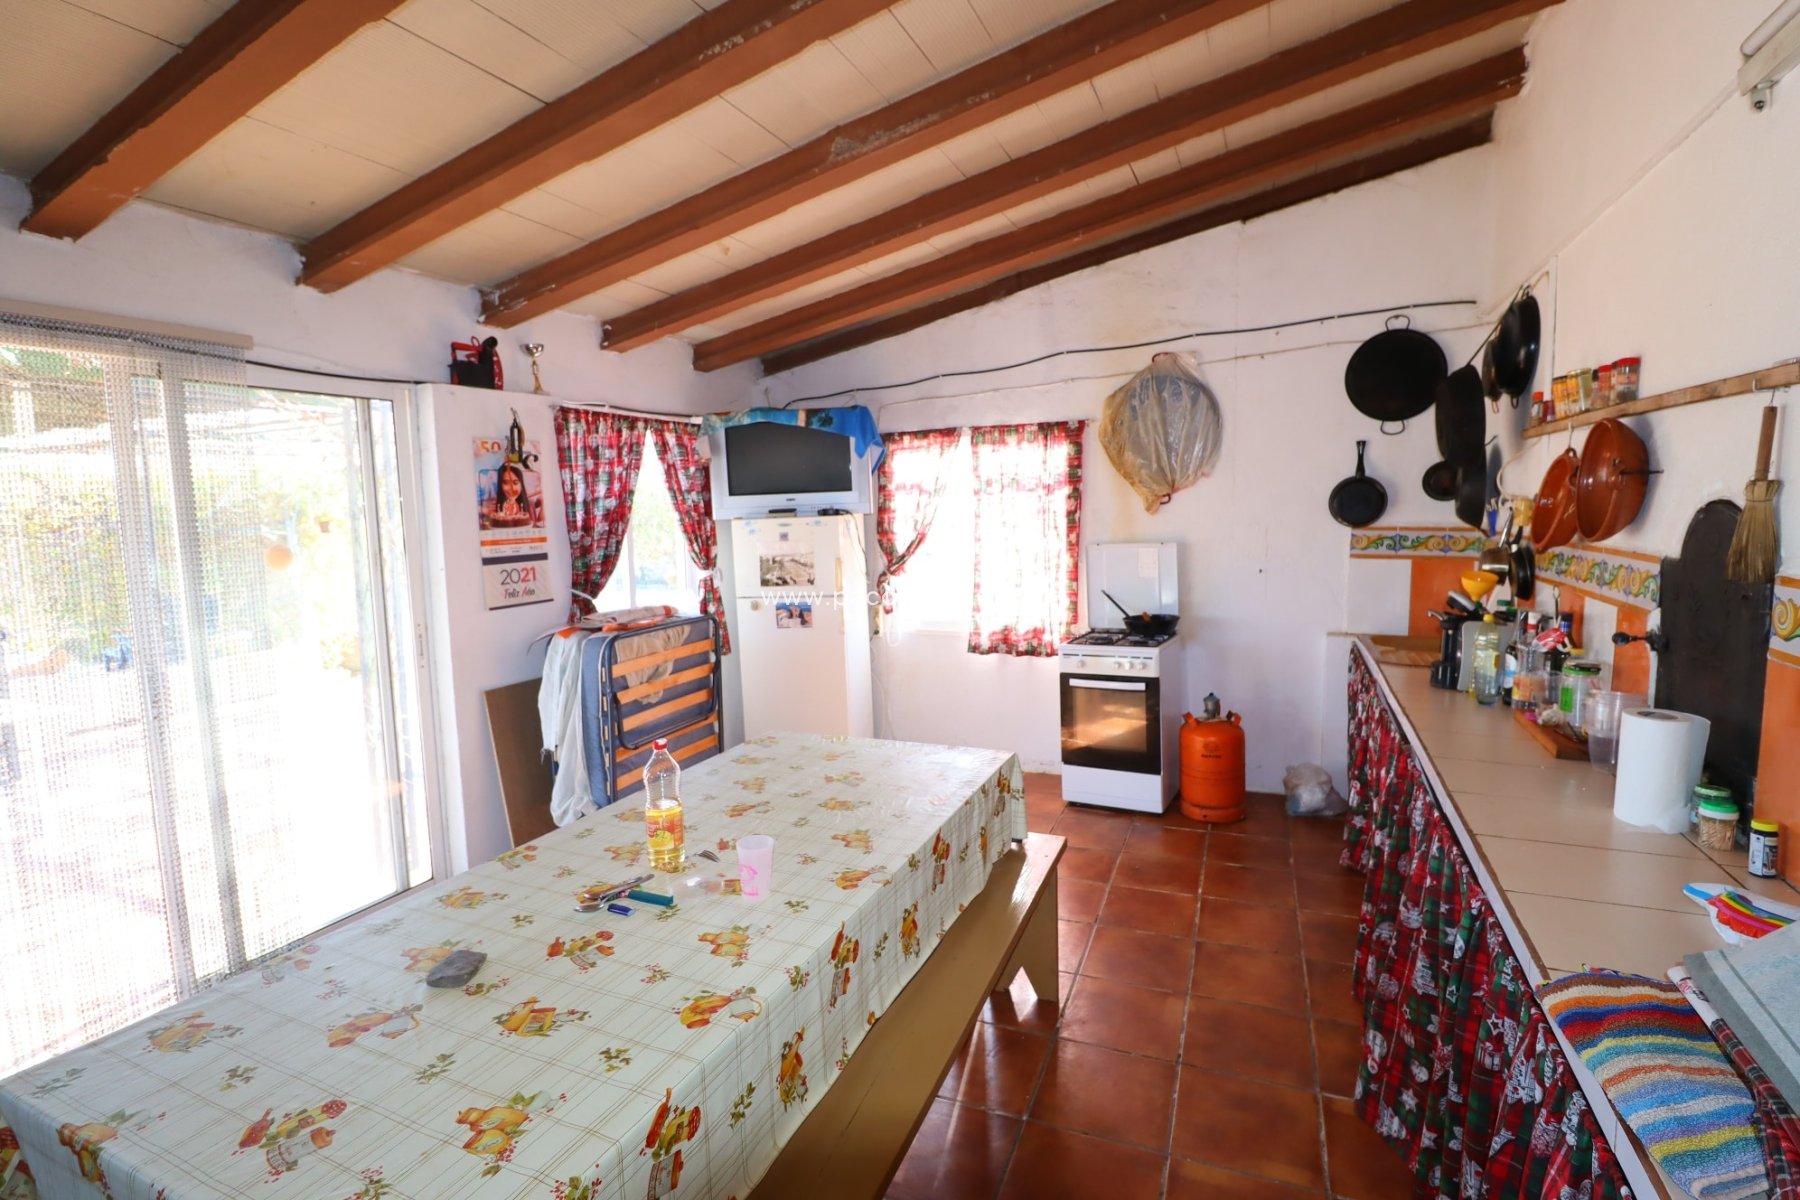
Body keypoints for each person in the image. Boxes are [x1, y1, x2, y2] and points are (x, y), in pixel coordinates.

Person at [485, 463, 535, 528]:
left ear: (521, 485)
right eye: (506, 483)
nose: (512, 488)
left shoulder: (529, 506)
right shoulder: (494, 507)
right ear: (500, 485)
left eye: (515, 483)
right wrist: (485, 511)